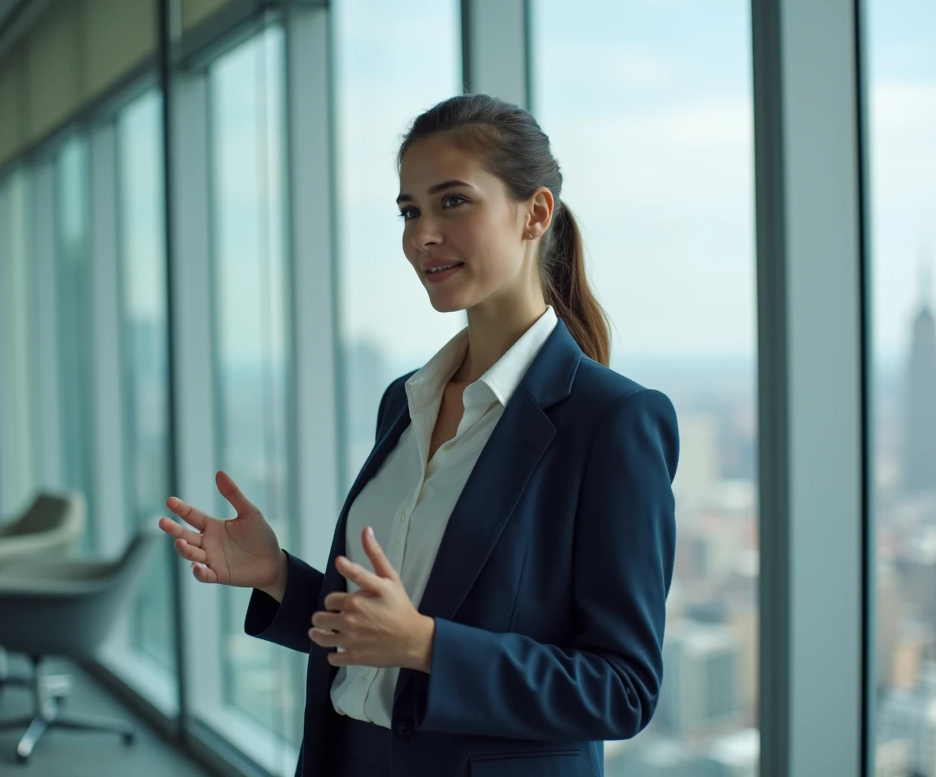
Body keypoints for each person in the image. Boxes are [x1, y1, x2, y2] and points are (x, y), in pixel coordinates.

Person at [158, 94, 679, 777]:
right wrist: (279, 576)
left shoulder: (612, 423)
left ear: (536, 213)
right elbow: (381, 631)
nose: (421, 235)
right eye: (409, 211)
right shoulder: (405, 401)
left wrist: (431, 646)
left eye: (452, 202)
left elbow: (624, 688)